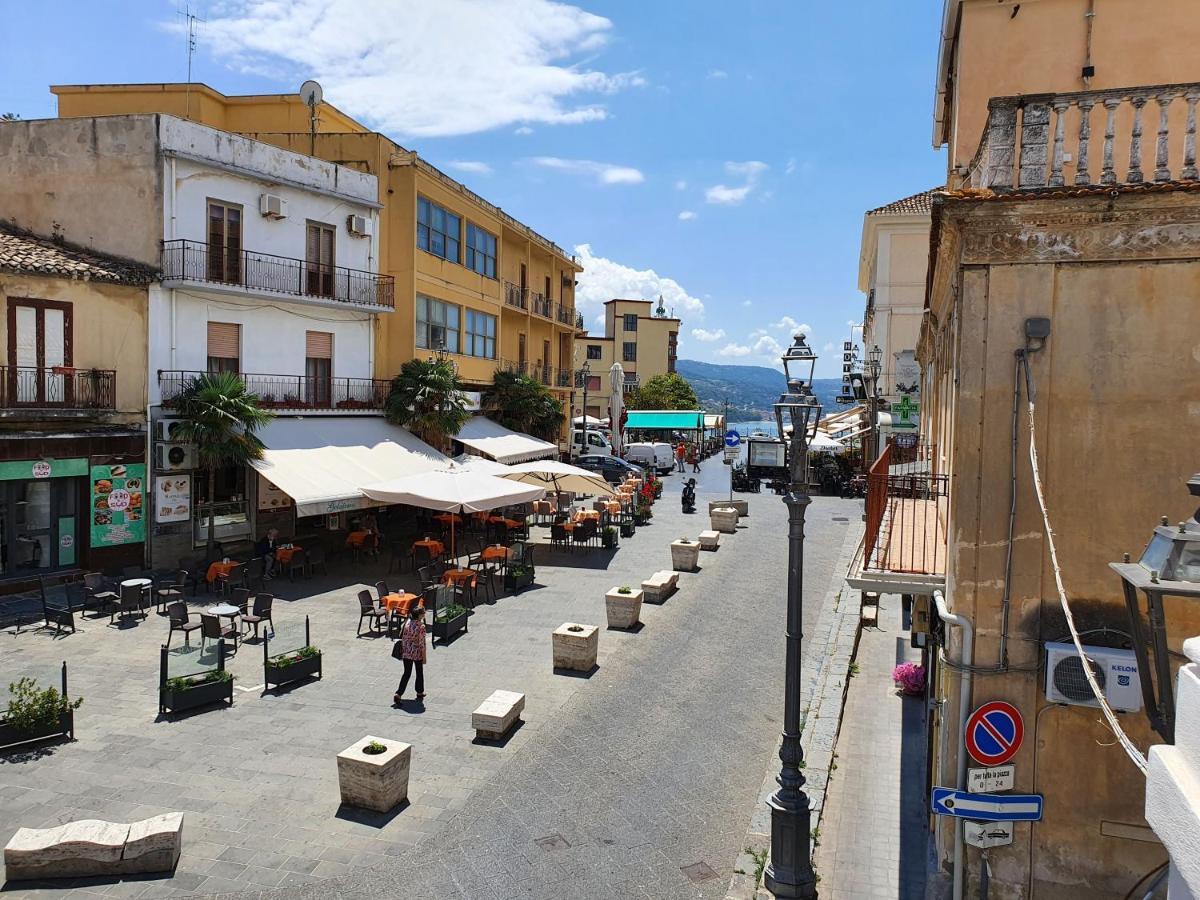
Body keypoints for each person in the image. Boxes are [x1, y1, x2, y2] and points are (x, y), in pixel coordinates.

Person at [393, 607, 426, 704]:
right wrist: (424, 656)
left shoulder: (407, 622)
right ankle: (419, 692)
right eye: (423, 613)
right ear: (419, 615)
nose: (424, 614)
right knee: (419, 672)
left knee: (407, 673)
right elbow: (421, 643)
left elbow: (402, 635)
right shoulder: (421, 627)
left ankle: (398, 693)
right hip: (416, 653)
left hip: (406, 651)